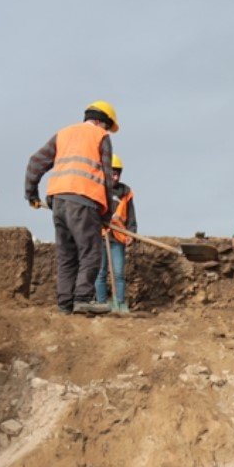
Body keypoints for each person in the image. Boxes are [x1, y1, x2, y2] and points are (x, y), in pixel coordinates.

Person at [25, 101, 120, 315]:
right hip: (84, 201)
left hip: (58, 201)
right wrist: (106, 214)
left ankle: (65, 304)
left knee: (67, 255)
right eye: (107, 126)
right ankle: (82, 299)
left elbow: (35, 162)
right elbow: (106, 176)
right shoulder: (100, 136)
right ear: (100, 121)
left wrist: (31, 193)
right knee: (91, 252)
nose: (107, 131)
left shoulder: (63, 133)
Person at [97, 154, 137, 316]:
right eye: (110, 172)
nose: (113, 175)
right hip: (100, 237)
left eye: (116, 172)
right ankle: (100, 304)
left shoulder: (125, 192)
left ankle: (119, 302)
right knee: (100, 272)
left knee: (119, 272)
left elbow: (132, 216)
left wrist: (131, 233)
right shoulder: (97, 190)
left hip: (118, 238)